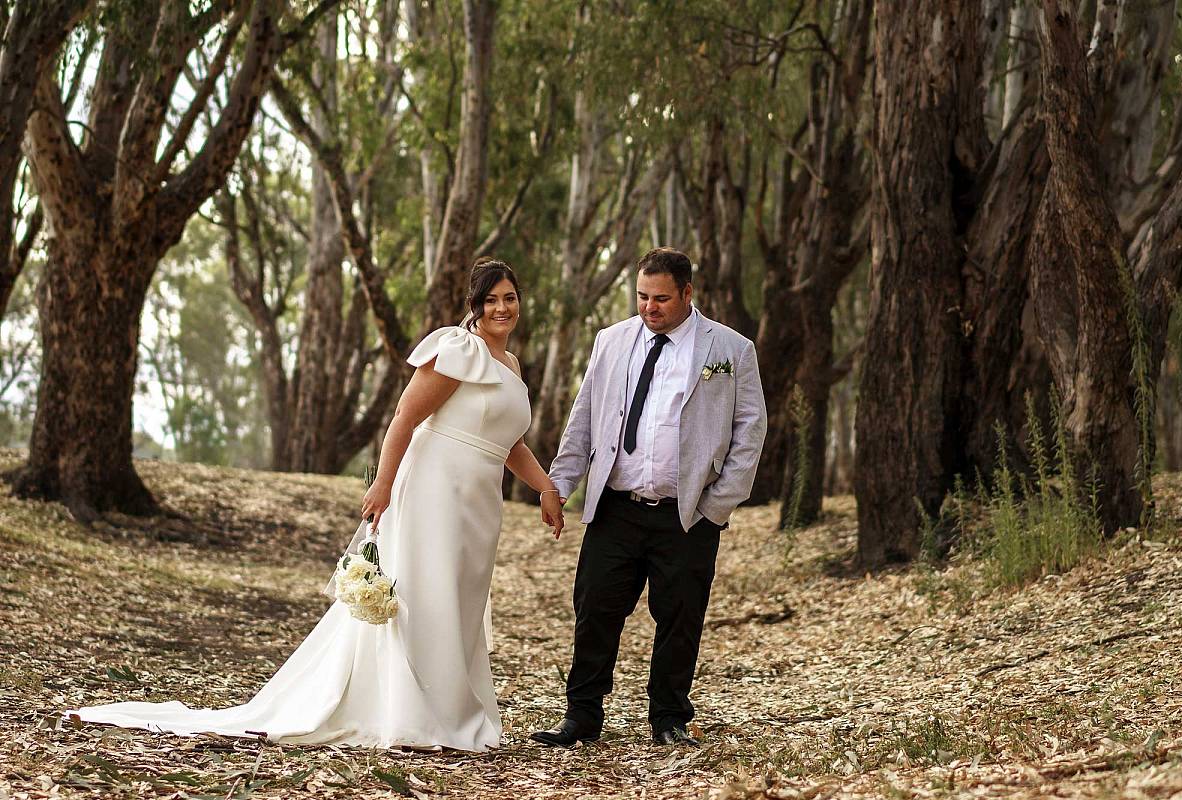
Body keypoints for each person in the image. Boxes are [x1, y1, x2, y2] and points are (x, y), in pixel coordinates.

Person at [66, 259, 565, 752]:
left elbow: (507, 442)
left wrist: (545, 488)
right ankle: (415, 715)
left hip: (480, 502)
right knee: (427, 594)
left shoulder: (511, 366)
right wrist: (383, 485)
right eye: (491, 300)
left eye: (510, 298)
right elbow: (404, 419)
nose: (502, 308)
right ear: (474, 308)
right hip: (435, 489)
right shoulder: (457, 350)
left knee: (460, 597)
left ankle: (455, 707)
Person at [531, 247, 767, 749]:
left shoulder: (729, 349)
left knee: (680, 616)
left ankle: (669, 718)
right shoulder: (612, 341)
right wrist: (560, 485)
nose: (649, 307)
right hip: (616, 506)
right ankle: (582, 716)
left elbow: (750, 431)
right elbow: (585, 418)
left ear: (687, 293)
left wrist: (715, 507)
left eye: (661, 298)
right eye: (641, 296)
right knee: (594, 610)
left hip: (687, 514)